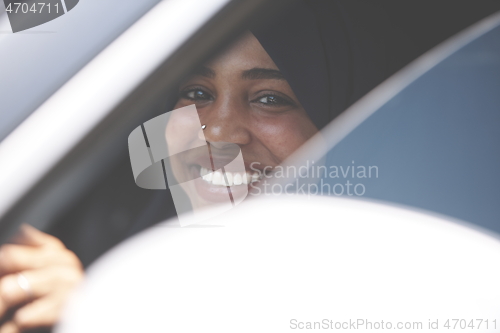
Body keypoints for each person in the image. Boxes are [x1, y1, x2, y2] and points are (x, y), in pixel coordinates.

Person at [0, 1, 417, 331]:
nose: (217, 131)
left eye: (270, 98)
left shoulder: (395, 293)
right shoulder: (139, 260)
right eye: (197, 91)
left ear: (345, 116)